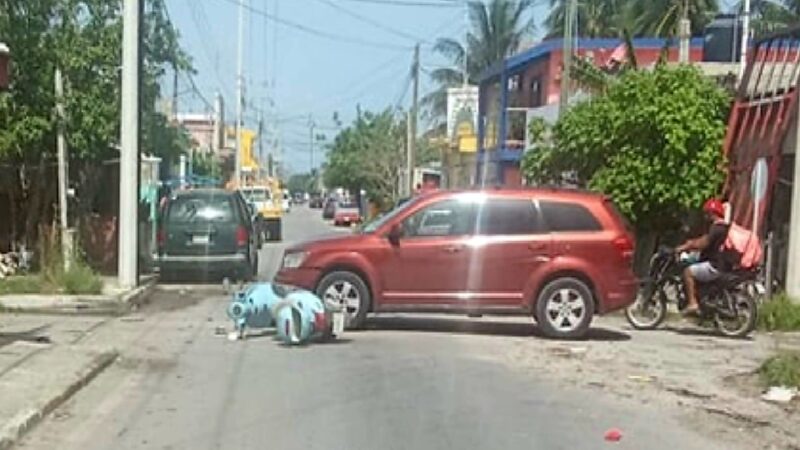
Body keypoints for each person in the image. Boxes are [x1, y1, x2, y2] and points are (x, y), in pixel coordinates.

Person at [675, 198, 738, 315]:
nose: (705, 217)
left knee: (688, 272)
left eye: (707, 213)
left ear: (712, 213)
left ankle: (693, 303)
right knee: (694, 264)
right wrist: (692, 243)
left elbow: (704, 243)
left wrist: (687, 246)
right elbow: (704, 239)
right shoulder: (723, 227)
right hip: (722, 265)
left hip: (714, 265)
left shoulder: (716, 228)